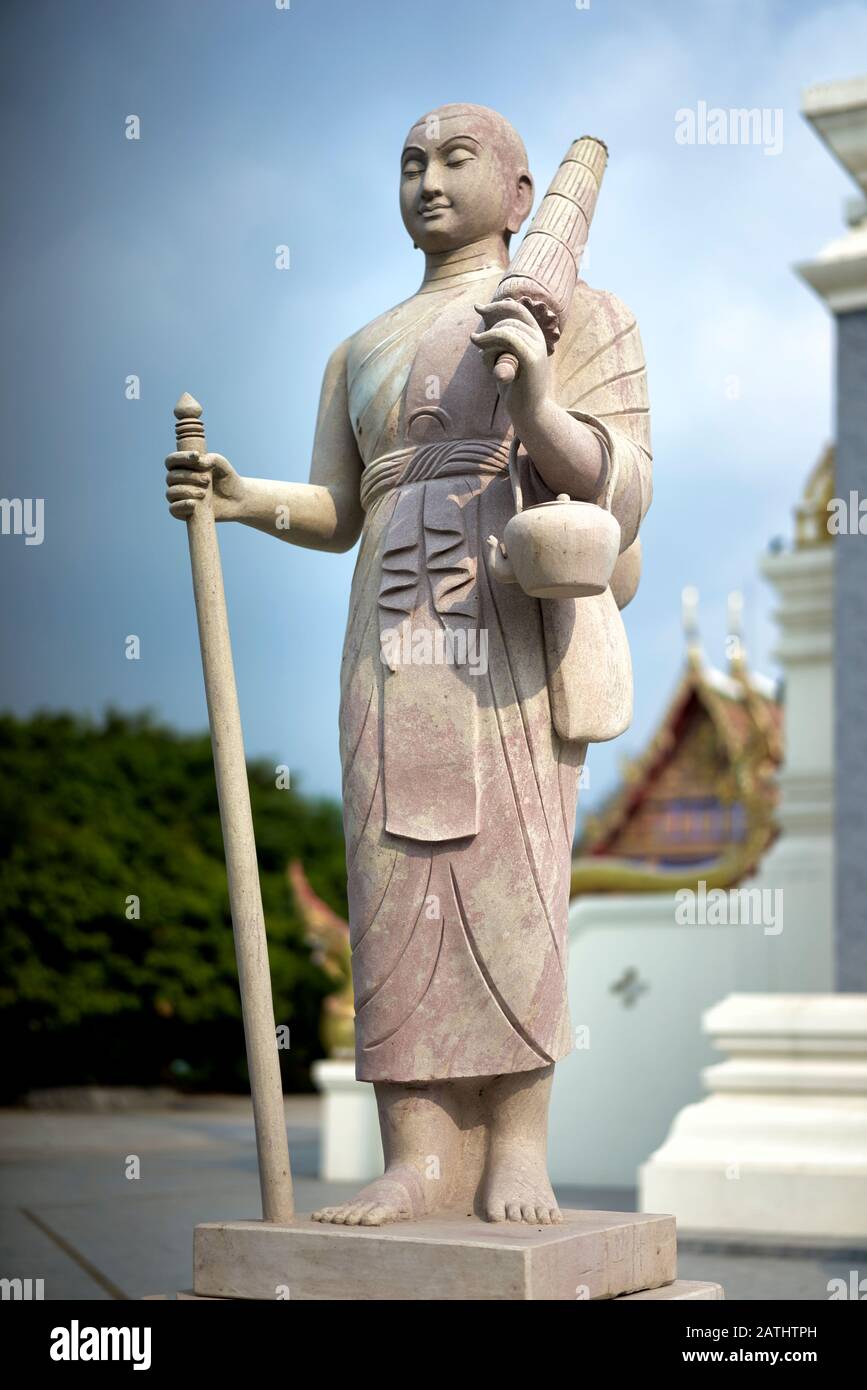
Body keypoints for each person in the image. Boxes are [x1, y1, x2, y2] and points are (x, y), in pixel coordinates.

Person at [165, 103, 652, 1226]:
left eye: (456, 159)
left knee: (515, 882)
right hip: (387, 646)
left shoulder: (587, 316)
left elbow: (621, 489)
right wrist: (241, 501)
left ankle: (518, 1145)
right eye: (409, 163)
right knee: (393, 887)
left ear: (524, 196)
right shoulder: (361, 348)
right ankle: (418, 1154)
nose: (428, 180)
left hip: (511, 634)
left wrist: (533, 393)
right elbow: (343, 506)